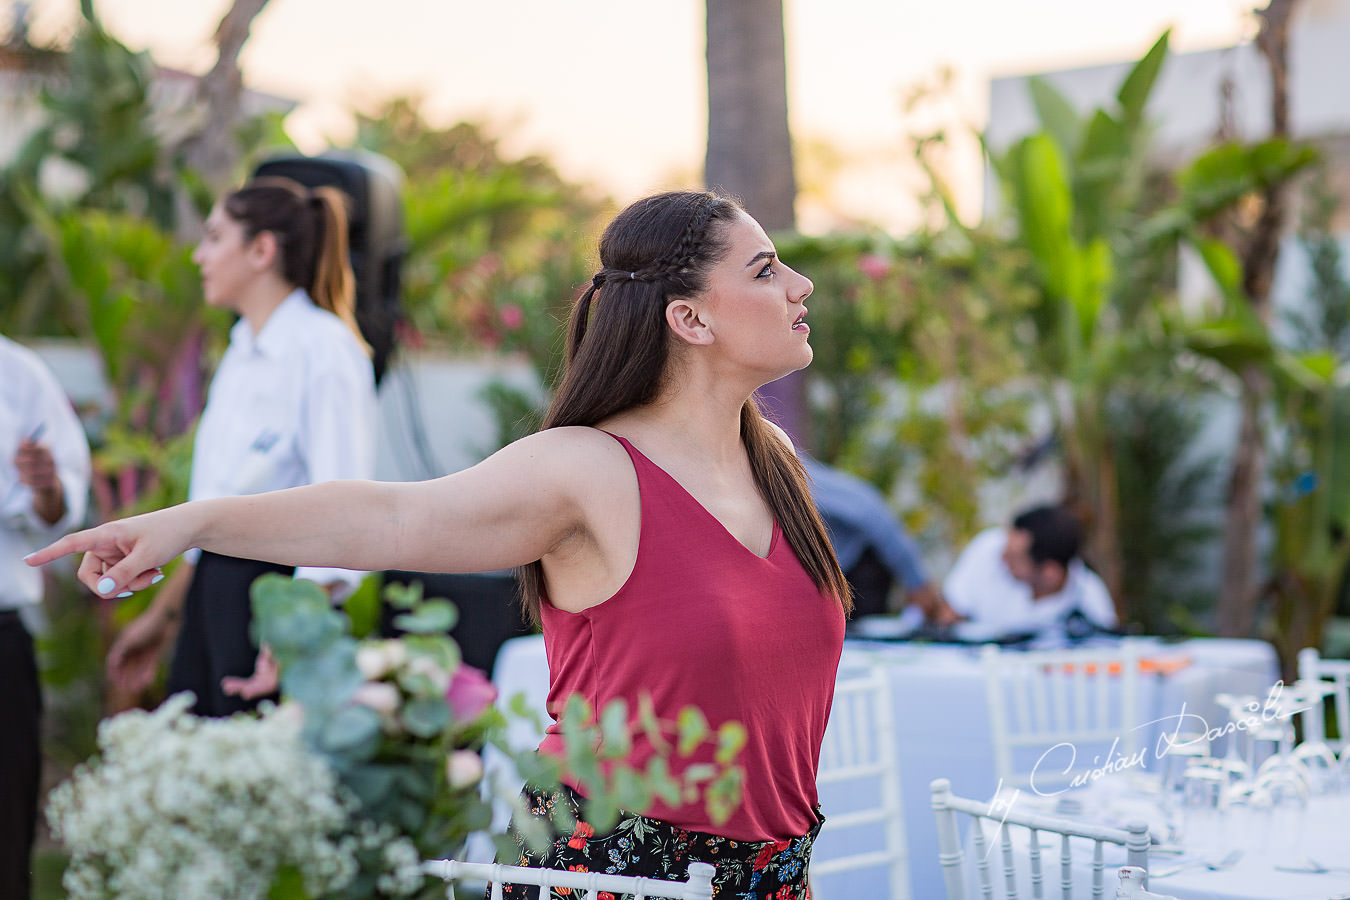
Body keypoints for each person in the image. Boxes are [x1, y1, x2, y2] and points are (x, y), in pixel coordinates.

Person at [28, 190, 850, 899]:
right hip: (616, 871)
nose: (800, 285)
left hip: (770, 873)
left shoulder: (772, 466)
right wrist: (192, 521)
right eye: (767, 268)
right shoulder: (590, 469)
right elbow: (391, 518)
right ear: (689, 317)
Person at [105, 176, 377, 717]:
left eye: (213, 237)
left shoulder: (324, 349)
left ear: (261, 249)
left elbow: (348, 512)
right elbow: (210, 517)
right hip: (215, 599)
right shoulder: (239, 351)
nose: (197, 254)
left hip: (275, 607)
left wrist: (288, 633)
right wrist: (162, 620)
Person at [1, 334, 91, 900]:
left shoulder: (19, 374)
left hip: (1, 636)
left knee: (5, 831)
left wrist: (47, 487)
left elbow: (61, 507)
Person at [931, 504, 1118, 637]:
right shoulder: (989, 547)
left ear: (1049, 573)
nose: (1002, 557)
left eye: (1014, 557)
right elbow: (948, 617)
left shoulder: (1091, 604)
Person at [801, 454, 945, 620]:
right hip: (825, 577)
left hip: (859, 567)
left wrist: (916, 582)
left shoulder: (786, 472)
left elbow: (869, 510)